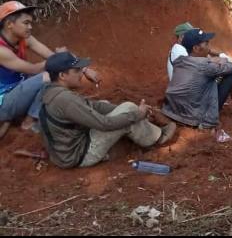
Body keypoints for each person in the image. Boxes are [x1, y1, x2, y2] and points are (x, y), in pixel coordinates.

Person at [38, 52, 176, 168]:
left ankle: (140, 127)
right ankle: (157, 138)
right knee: (128, 109)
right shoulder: (66, 100)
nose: (81, 74)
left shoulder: (53, 92)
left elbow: (94, 106)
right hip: (78, 156)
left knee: (108, 105)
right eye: (77, 71)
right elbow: (104, 124)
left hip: (63, 154)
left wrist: (122, 110)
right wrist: (136, 114)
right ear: (62, 75)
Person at [0, 1, 100, 138]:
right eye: (26, 23)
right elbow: (33, 69)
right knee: (49, 76)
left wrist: (84, 69)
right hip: (4, 102)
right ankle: (29, 122)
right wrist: (58, 57)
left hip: (17, 91)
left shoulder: (24, 38)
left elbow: (51, 56)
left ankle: (22, 116)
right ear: (9, 25)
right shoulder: (1, 50)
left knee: (52, 75)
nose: (30, 27)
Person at [163, 29, 232, 129]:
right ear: (196, 48)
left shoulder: (180, 60)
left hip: (174, 112)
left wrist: (213, 61)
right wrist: (222, 61)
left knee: (209, 80)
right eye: (206, 43)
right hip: (196, 118)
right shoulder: (205, 66)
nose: (209, 46)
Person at [167, 22, 232, 81]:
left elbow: (208, 53)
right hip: (189, 90)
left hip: (188, 85)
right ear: (181, 37)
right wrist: (220, 60)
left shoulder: (183, 47)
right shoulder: (180, 50)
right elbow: (201, 64)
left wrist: (220, 55)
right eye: (190, 33)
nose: (192, 35)